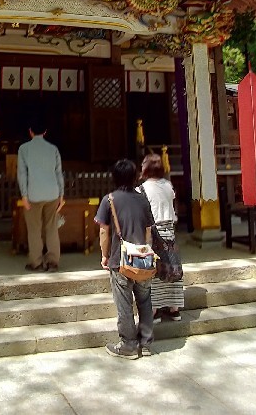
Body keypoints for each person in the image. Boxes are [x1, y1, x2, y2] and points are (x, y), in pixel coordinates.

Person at [95, 158, 156, 359]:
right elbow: (148, 231)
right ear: (134, 176)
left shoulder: (109, 200)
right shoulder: (142, 199)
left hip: (120, 259)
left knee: (124, 303)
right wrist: (145, 251)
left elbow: (104, 232)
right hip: (143, 257)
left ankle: (129, 345)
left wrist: (104, 255)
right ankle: (146, 343)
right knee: (145, 301)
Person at [138, 154, 183, 322]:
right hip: (169, 230)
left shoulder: (142, 189)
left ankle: (155, 310)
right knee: (173, 266)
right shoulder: (168, 185)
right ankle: (174, 308)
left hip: (153, 231)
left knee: (154, 270)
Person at [17, 119, 64, 272]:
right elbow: (59, 173)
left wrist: (24, 195)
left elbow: (22, 174)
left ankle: (36, 262)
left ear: (30, 131)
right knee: (51, 228)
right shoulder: (53, 149)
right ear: (45, 132)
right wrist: (61, 195)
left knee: (34, 229)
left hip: (33, 194)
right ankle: (52, 262)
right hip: (53, 193)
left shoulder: (24, 149)